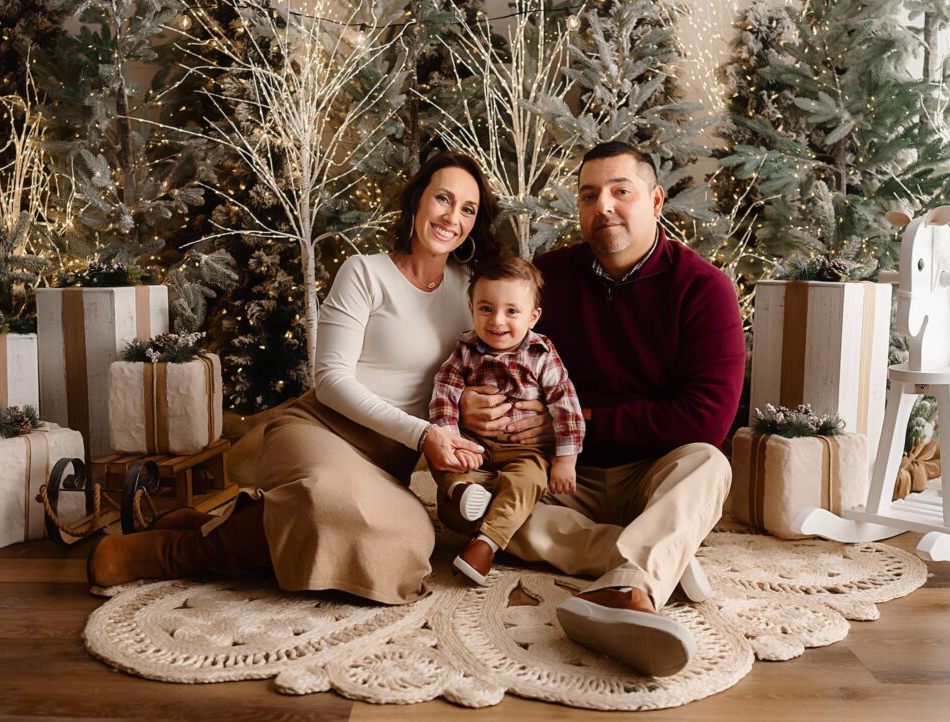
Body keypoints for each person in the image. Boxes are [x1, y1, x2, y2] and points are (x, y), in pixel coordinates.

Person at [87, 151, 502, 605]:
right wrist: (423, 435)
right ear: (417, 202)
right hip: (322, 430)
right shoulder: (366, 272)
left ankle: (212, 525)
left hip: (388, 461)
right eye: (443, 198)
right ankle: (179, 551)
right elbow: (331, 381)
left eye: (468, 208)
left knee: (406, 546)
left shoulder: (472, 291)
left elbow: (479, 368)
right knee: (327, 498)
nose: (452, 217)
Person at [440, 141, 746, 677]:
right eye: (589, 194)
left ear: (654, 201)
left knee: (709, 463)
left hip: (648, 473)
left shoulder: (703, 289)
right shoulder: (546, 280)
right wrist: (470, 402)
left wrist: (578, 426)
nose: (602, 205)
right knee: (461, 499)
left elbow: (706, 419)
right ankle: (652, 556)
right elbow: (491, 353)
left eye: (620, 191)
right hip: (556, 478)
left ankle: (627, 591)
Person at [428, 257, 584, 586]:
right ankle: (459, 488)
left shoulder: (541, 354)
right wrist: (451, 437)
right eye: (486, 308)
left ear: (533, 316)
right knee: (439, 451)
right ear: (471, 307)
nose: (497, 321)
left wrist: (565, 460)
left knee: (527, 481)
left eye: (512, 311)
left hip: (523, 448)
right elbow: (444, 392)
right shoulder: (465, 349)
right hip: (476, 441)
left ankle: (486, 544)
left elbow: (565, 403)